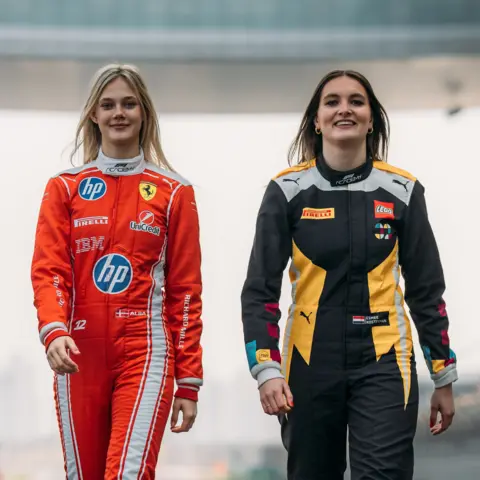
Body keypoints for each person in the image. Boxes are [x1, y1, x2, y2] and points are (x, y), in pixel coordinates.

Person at [241, 69, 457, 480]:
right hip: (309, 360)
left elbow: (427, 291)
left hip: (385, 360)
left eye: (356, 102)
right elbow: (258, 292)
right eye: (333, 102)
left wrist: (443, 375)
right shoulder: (286, 191)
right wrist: (266, 370)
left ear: (371, 119)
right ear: (316, 121)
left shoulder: (403, 191)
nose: (345, 109)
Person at [31, 63, 204, 479]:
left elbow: (185, 292)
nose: (119, 113)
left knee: (128, 472)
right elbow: (49, 270)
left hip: (145, 351)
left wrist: (188, 379)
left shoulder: (175, 192)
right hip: (78, 355)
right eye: (108, 105)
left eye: (129, 104)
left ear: (144, 112)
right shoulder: (65, 187)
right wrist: (53, 330)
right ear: (94, 114)